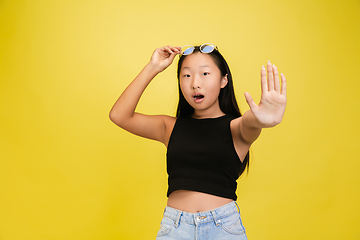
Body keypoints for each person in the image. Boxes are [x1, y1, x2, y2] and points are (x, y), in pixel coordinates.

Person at [109, 44, 287, 239]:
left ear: (223, 80)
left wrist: (261, 119)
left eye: (205, 74)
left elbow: (250, 122)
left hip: (223, 228)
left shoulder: (236, 128)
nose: (195, 83)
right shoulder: (169, 127)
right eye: (186, 75)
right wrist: (153, 67)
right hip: (175, 228)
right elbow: (119, 115)